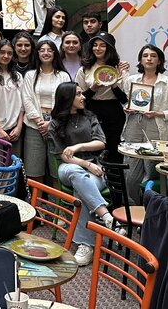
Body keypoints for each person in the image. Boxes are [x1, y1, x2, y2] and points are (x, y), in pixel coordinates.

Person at [49, 82, 121, 267]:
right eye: (79, 94)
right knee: (75, 172)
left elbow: (102, 142)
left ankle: (85, 245)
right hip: (69, 167)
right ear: (67, 98)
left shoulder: (90, 116)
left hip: (95, 168)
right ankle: (106, 216)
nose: (84, 97)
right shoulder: (55, 123)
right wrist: (85, 163)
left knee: (82, 192)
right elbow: (61, 155)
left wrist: (78, 146)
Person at [121, 44, 168, 204]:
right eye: (145, 55)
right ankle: (134, 210)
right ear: (140, 60)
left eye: (153, 56)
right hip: (133, 128)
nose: (149, 58)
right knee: (130, 177)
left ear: (159, 60)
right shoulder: (131, 80)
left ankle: (152, 210)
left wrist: (158, 113)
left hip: (157, 130)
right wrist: (127, 109)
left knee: (152, 176)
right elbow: (128, 103)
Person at [21, 40, 71, 185]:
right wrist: (39, 122)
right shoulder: (30, 75)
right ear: (37, 53)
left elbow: (66, 101)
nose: (46, 53)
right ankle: (36, 205)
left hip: (57, 125)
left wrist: (51, 123)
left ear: (55, 53)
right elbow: (27, 98)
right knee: (34, 170)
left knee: (57, 170)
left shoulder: (63, 76)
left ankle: (56, 205)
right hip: (33, 125)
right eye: (42, 50)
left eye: (49, 50)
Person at [75, 32, 130, 162]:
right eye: (95, 45)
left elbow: (125, 99)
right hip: (91, 110)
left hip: (113, 112)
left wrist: (114, 84)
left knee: (114, 150)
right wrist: (94, 88)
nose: (97, 49)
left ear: (109, 48)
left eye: (102, 46)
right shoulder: (84, 69)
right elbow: (80, 97)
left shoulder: (120, 68)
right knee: (93, 148)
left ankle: (115, 181)